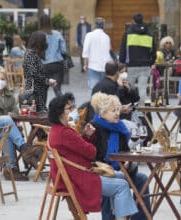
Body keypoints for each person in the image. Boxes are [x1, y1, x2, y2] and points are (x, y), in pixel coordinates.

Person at [48, 93, 138, 220]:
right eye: (69, 108)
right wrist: (86, 139)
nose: (74, 111)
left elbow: (79, 150)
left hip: (71, 174)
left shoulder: (57, 130)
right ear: (59, 112)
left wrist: (85, 136)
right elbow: (91, 153)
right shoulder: (65, 132)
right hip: (78, 178)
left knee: (121, 176)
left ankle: (115, 215)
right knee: (122, 186)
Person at [89, 92, 151, 220]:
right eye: (113, 111)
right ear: (102, 113)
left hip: (121, 170)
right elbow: (93, 156)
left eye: (118, 109)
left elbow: (125, 151)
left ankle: (140, 218)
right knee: (112, 181)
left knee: (142, 179)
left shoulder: (121, 128)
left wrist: (127, 161)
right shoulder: (94, 128)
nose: (117, 113)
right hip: (101, 172)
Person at [119, 12, 156, 105]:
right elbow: (154, 50)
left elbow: (123, 48)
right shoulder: (150, 34)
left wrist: (122, 61)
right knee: (142, 88)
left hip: (132, 65)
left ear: (133, 21)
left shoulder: (128, 33)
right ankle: (141, 109)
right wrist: (152, 61)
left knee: (129, 87)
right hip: (145, 65)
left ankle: (130, 107)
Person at [23, 31, 57, 112]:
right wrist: (47, 81)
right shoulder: (30, 55)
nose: (46, 43)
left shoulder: (34, 55)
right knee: (35, 115)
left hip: (38, 92)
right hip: (34, 93)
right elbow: (34, 74)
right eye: (44, 40)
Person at [39, 14, 67, 97]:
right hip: (57, 64)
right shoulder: (57, 34)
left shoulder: (38, 35)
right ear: (50, 22)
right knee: (57, 89)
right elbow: (63, 50)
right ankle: (62, 107)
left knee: (43, 90)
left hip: (43, 65)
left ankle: (42, 109)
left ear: (40, 23)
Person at [82, 17, 112, 92]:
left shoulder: (89, 35)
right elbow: (109, 50)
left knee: (93, 89)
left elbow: (85, 51)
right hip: (104, 66)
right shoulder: (106, 37)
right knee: (104, 89)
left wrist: (85, 64)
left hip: (93, 65)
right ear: (103, 26)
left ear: (95, 25)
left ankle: (94, 103)